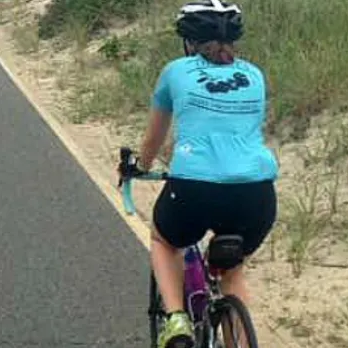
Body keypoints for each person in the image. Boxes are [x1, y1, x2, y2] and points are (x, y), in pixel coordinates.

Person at [129, 1, 279, 347]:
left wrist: (142, 166)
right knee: (232, 270)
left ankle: (177, 318)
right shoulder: (255, 75)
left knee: (164, 241)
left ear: (189, 41)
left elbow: (154, 138)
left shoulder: (175, 71)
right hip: (256, 193)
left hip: (195, 189)